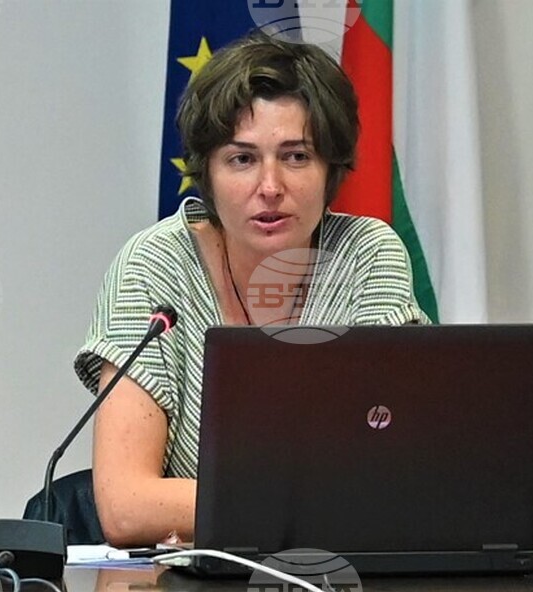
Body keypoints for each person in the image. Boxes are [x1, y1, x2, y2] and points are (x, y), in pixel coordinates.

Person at [74, 31, 429, 546]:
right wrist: (319, 499)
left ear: (330, 169)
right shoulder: (153, 266)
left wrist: (243, 503)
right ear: (208, 172)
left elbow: (397, 474)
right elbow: (127, 507)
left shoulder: (366, 256)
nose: (270, 187)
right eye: (242, 159)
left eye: (296, 156)